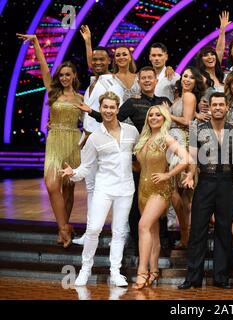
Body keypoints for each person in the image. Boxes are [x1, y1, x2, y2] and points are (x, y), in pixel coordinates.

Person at [76, 66, 172, 254]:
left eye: (149, 78)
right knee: (138, 204)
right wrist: (91, 112)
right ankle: (138, 245)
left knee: (160, 205)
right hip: (139, 163)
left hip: (160, 161)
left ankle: (162, 245)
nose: (146, 81)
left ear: (156, 80)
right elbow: (113, 119)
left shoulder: (164, 102)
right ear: (138, 81)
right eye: (143, 78)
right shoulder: (132, 103)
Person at [61, 91, 139, 287]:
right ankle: (85, 270)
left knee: (119, 231)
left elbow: (140, 154)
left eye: (112, 107)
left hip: (126, 188)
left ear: (117, 109)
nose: (108, 110)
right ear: (101, 109)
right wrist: (73, 173)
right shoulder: (94, 137)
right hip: (103, 187)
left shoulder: (131, 131)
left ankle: (115, 272)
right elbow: (86, 167)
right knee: (94, 228)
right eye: (105, 107)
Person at [17, 33, 82, 248]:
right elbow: (44, 68)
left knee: (68, 189)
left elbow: (92, 124)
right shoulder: (53, 92)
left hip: (73, 142)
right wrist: (36, 43)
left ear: (74, 76)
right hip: (54, 142)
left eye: (67, 75)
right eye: (61, 75)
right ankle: (65, 227)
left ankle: (62, 229)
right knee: (52, 184)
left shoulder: (81, 99)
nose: (63, 78)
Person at [178, 92, 233, 289]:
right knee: (197, 231)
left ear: (227, 107)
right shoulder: (198, 129)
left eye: (221, 104)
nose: (218, 107)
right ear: (209, 108)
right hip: (205, 182)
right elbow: (193, 158)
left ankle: (221, 278)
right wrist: (190, 174)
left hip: (228, 183)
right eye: (215, 104)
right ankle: (193, 278)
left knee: (224, 231)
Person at [132, 104, 190, 289]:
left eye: (158, 115)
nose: (154, 117)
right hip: (143, 189)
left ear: (164, 118)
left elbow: (187, 159)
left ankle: (142, 272)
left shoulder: (167, 138)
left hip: (160, 190)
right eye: (151, 115)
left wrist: (167, 175)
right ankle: (154, 271)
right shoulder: (144, 138)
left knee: (143, 225)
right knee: (153, 233)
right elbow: (141, 166)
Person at [71, 43, 123, 246]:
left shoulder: (113, 83)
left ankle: (120, 235)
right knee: (92, 189)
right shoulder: (94, 80)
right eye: (95, 60)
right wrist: (87, 42)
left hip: (104, 141)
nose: (98, 62)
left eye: (102, 59)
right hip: (88, 140)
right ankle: (92, 233)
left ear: (110, 61)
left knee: (114, 189)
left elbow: (110, 114)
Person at [169, 66, 205, 249]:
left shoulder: (189, 96)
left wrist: (167, 115)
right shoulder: (180, 97)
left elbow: (187, 121)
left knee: (179, 190)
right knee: (181, 192)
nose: (187, 79)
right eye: (185, 76)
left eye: (192, 77)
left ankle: (186, 233)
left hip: (182, 141)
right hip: (176, 142)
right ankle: (186, 232)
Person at [80, 25, 140, 104]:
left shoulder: (139, 77)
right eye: (118, 55)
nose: (121, 57)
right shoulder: (110, 78)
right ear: (114, 60)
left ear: (130, 58)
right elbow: (93, 66)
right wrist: (88, 42)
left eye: (124, 54)